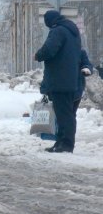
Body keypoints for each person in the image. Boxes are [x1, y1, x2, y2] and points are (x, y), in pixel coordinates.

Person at [34, 10, 81, 153]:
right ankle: (61, 142)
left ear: (50, 21)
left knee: (64, 114)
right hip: (69, 78)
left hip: (60, 79)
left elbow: (49, 49)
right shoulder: (72, 31)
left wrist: (38, 55)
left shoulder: (58, 31)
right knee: (64, 113)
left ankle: (66, 144)